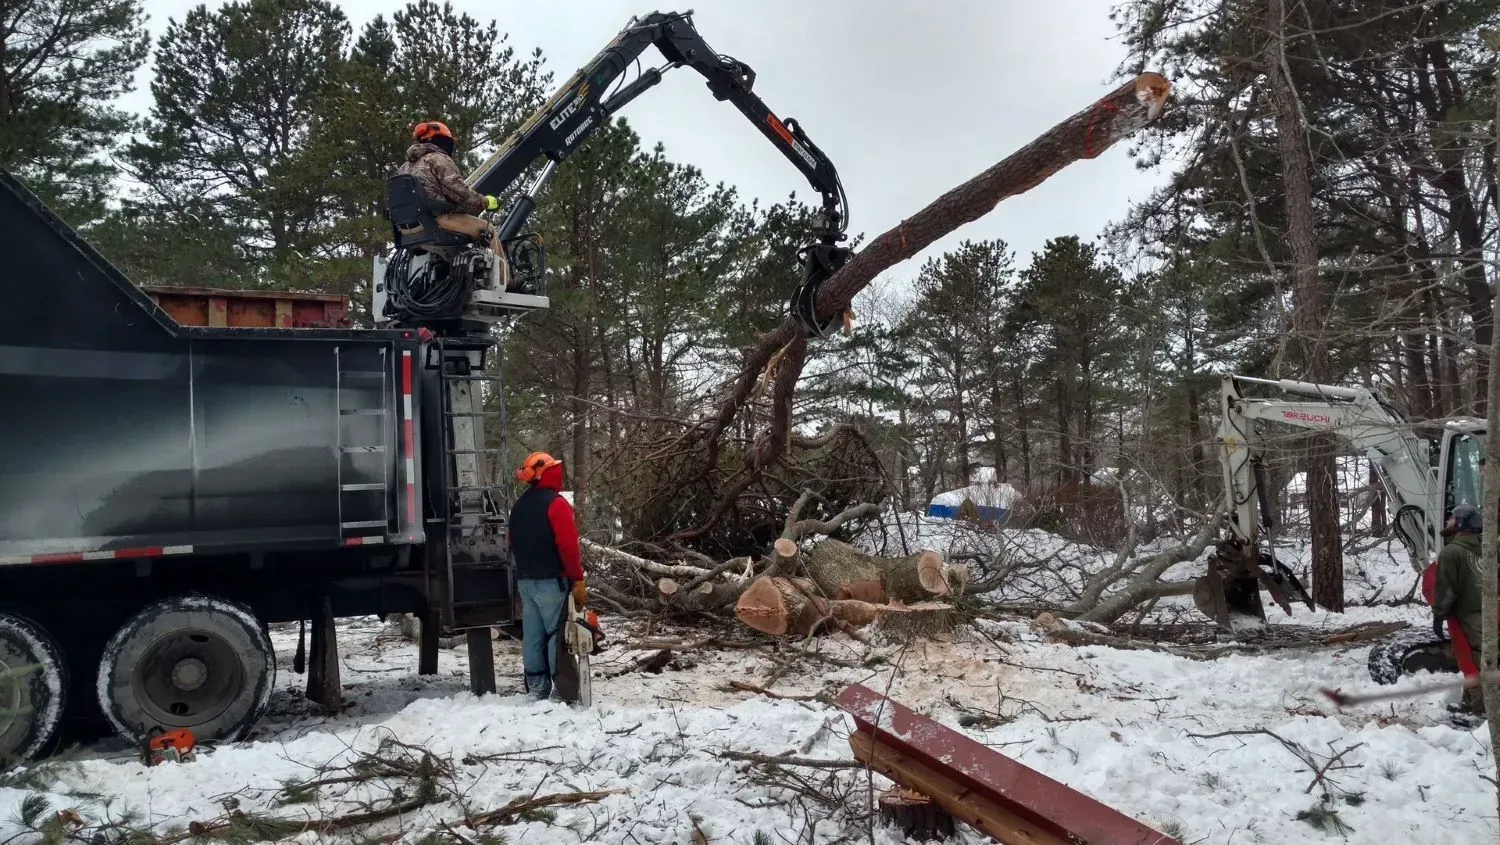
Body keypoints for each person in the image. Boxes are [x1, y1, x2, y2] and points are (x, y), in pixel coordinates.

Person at [507, 452, 586, 700]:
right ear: (545, 472)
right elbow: (568, 547)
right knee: (556, 635)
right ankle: (562, 691)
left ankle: (537, 688)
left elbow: (511, 544)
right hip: (552, 581)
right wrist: (577, 578)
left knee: (532, 635)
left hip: (526, 581)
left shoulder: (519, 506)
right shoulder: (557, 504)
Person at [395, 120, 504, 259]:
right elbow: (460, 192)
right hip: (435, 223)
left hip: (406, 230)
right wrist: (484, 202)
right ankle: (504, 279)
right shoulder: (438, 159)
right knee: (489, 230)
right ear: (442, 141)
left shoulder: (403, 168)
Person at [1433, 503, 1485, 717]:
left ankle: (1479, 710)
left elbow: (1446, 588)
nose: (1448, 520)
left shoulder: (1451, 553)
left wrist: (1438, 615)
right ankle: (1468, 704)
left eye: (1452, 518)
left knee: (1472, 662)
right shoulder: (1485, 549)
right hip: (1488, 614)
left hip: (1467, 616)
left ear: (1462, 523)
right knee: (1477, 657)